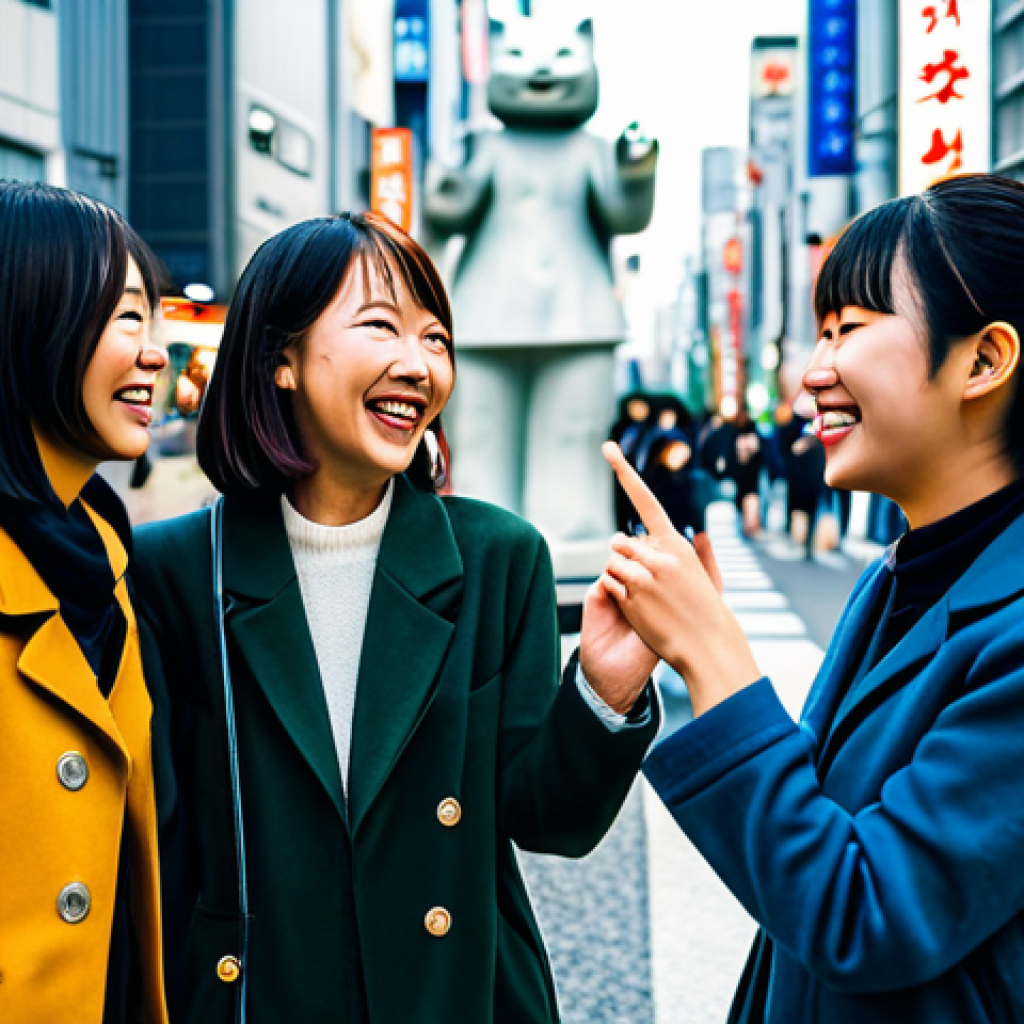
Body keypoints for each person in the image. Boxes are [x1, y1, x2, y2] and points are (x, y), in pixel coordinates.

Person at [132, 211, 659, 1024]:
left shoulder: (497, 555)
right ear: (283, 360)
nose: (419, 365)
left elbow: (545, 819)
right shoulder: (171, 570)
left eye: (436, 338)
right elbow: (161, 847)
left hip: (457, 999)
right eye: (381, 327)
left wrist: (603, 691)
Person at [597, 174, 1024, 1023]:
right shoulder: (897, 575)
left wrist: (715, 661)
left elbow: (866, 915)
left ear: (983, 360)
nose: (811, 376)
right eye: (820, 333)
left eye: (848, 331)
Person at [0, 181, 169, 1023]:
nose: (156, 354)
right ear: (27, 321)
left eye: (153, 320)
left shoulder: (107, 568)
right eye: (126, 317)